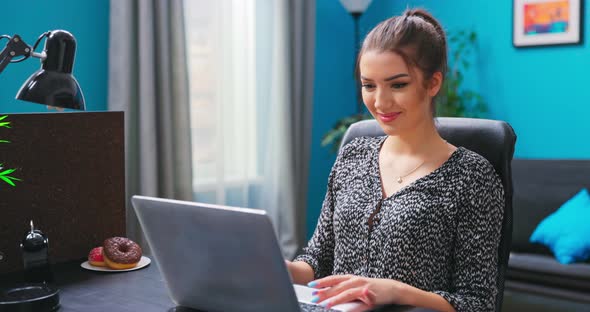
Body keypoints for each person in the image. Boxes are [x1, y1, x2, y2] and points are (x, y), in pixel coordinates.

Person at [285, 8, 504, 312]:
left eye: (398, 84)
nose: (380, 101)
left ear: (433, 83)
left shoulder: (472, 176)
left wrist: (396, 291)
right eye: (369, 85)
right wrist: (280, 268)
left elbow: (477, 303)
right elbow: (317, 259)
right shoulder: (352, 155)